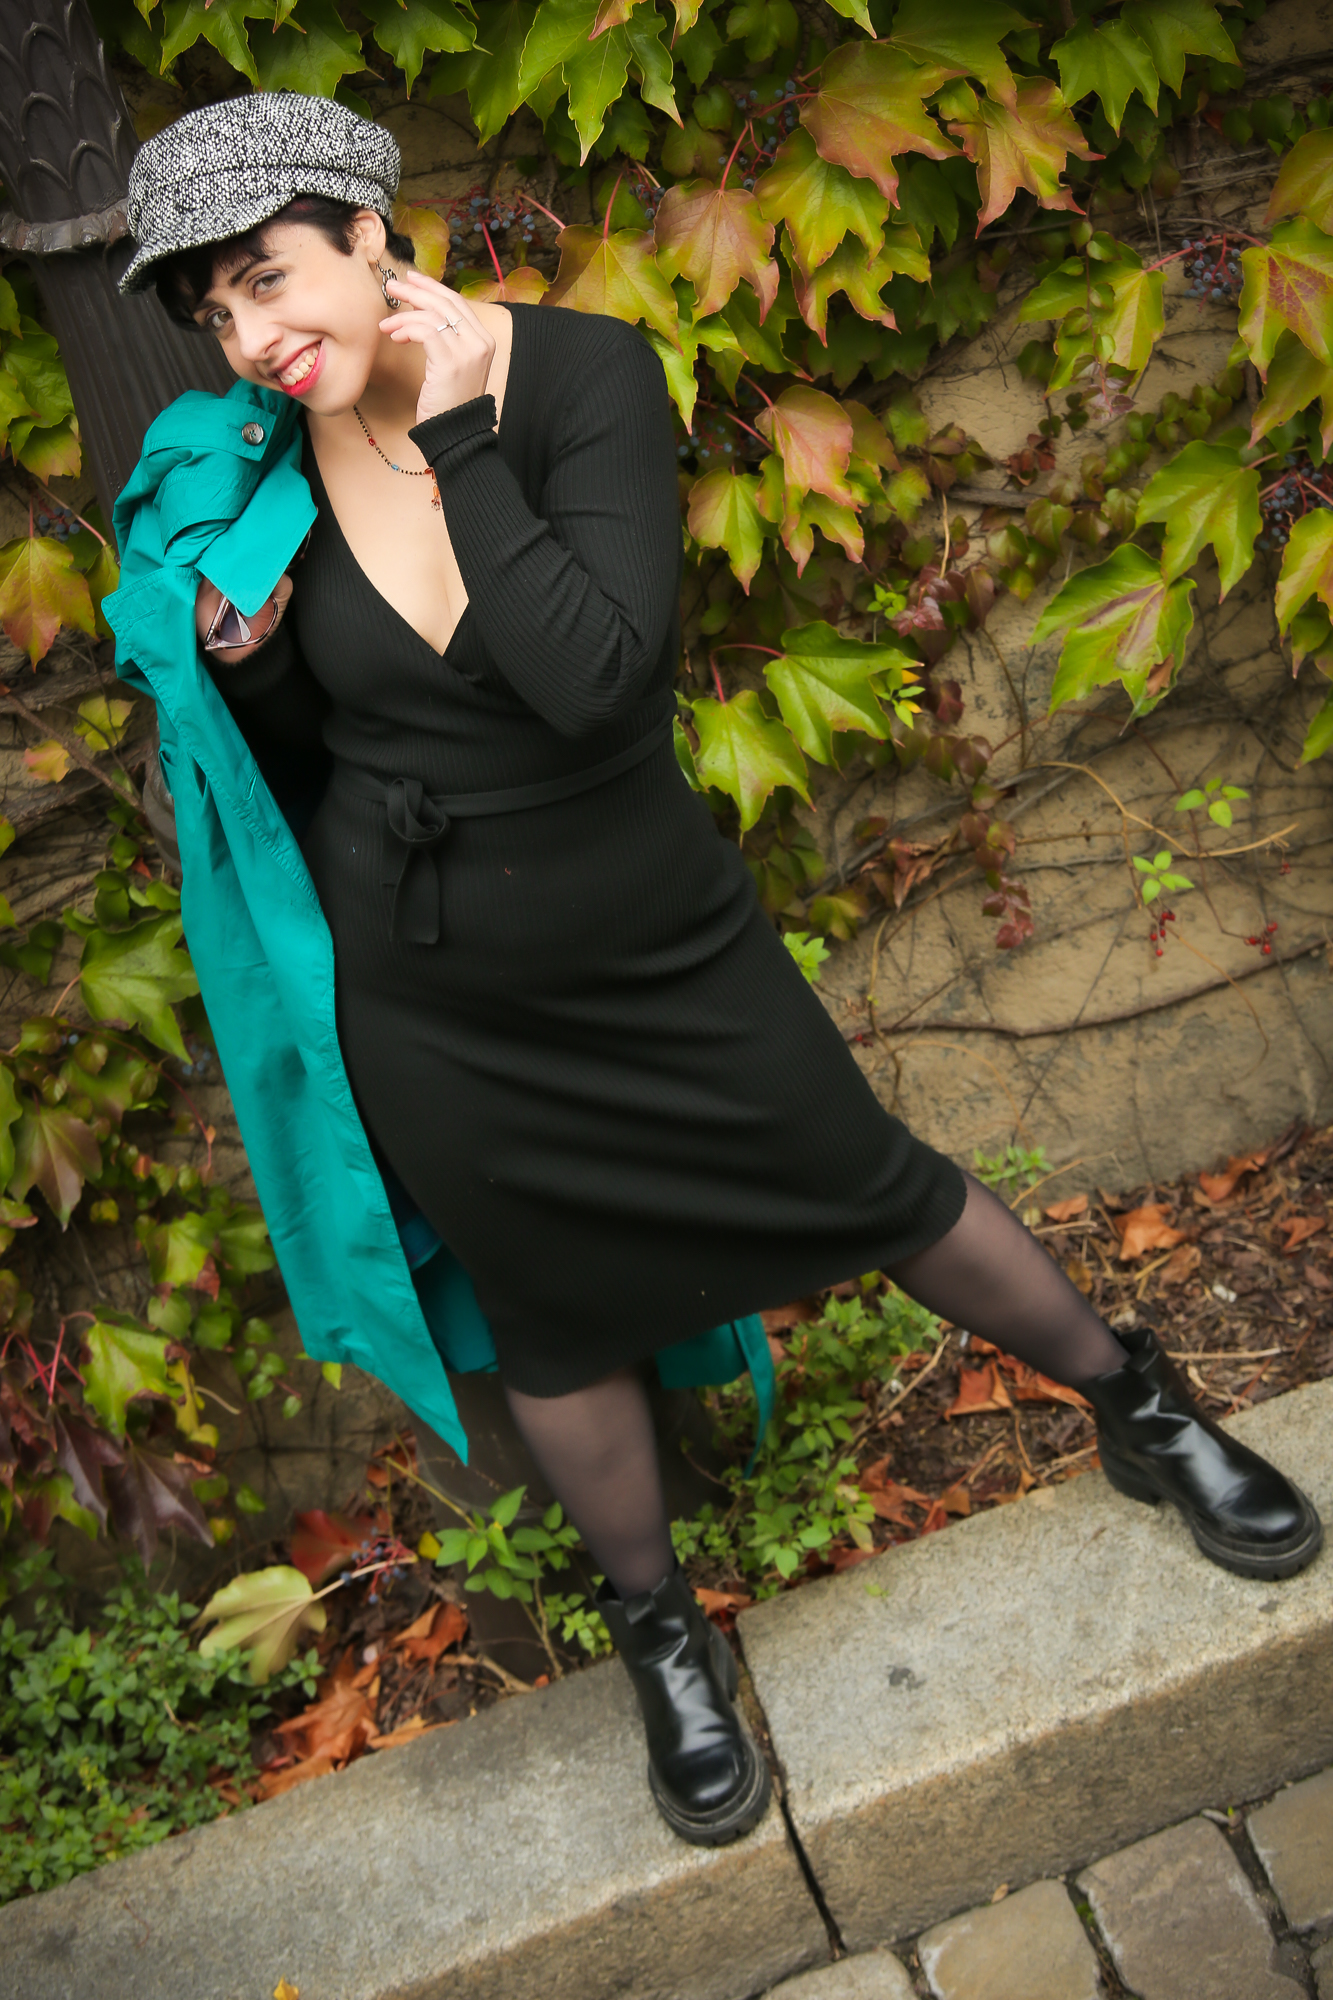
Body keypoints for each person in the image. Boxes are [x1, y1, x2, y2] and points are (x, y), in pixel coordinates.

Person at [114, 92, 1321, 1850]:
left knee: (874, 1185)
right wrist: (258, 665)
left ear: (370, 231)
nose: (250, 339)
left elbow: (595, 686)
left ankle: (1141, 1410)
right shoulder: (263, 467)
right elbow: (316, 756)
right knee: (549, 1312)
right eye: (215, 314)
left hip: (646, 934)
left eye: (266, 280)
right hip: (428, 981)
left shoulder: (580, 378)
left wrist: (455, 440)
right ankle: (661, 1633)